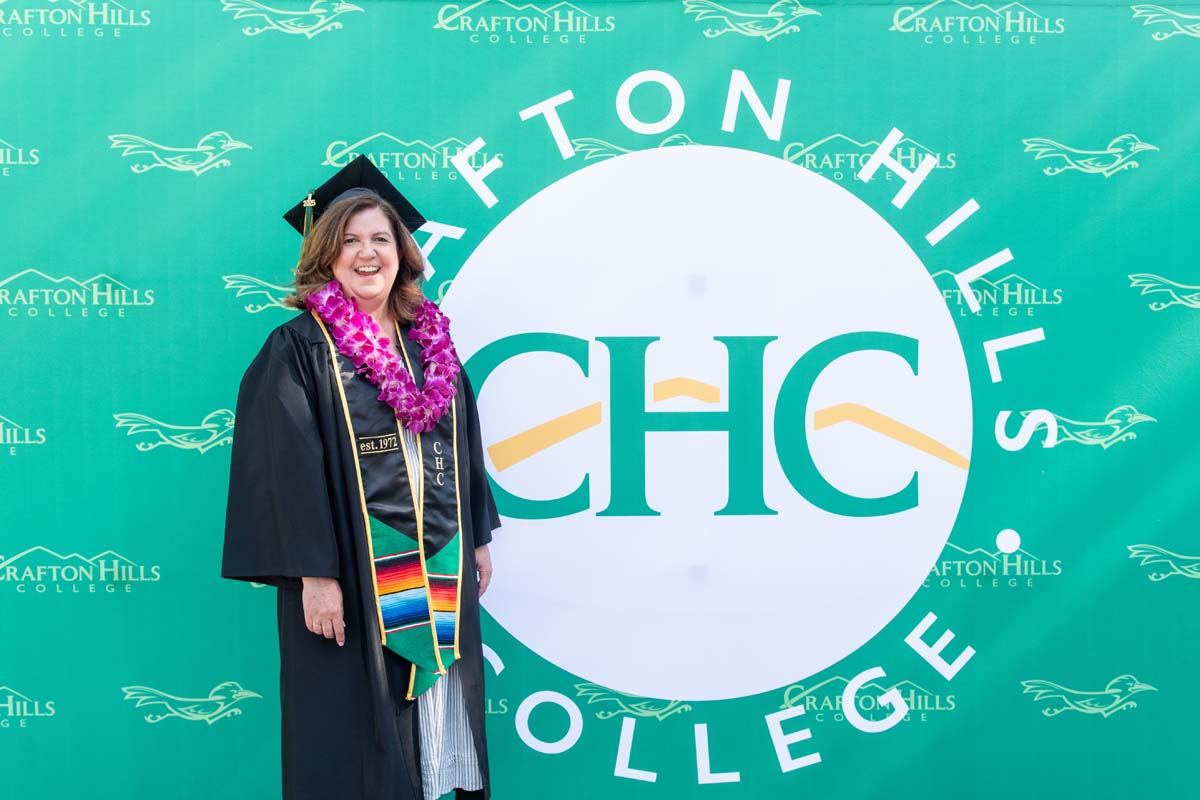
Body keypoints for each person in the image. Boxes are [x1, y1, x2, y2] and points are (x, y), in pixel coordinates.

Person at [222, 155, 500, 800]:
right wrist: (315, 577)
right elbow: (283, 472)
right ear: (327, 254)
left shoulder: (430, 344)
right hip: (349, 572)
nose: (367, 253)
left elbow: (465, 445)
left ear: (402, 252)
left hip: (439, 563)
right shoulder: (298, 347)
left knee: (435, 725)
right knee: (355, 736)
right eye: (349, 240)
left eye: (380, 238)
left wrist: (478, 537)